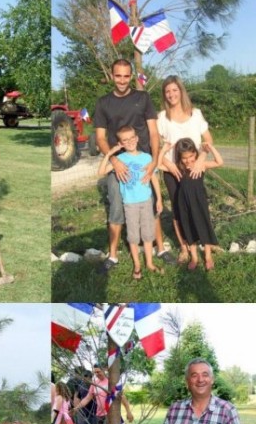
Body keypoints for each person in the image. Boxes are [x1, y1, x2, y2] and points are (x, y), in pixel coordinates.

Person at [93, 59, 173, 273]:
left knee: (153, 207)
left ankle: (161, 249)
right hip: (118, 164)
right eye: (117, 75)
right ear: (112, 76)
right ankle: (113, 255)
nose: (121, 80)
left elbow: (154, 132)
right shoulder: (103, 103)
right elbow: (100, 138)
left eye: (126, 76)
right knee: (117, 209)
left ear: (131, 77)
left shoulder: (143, 98)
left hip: (144, 162)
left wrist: (154, 162)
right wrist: (114, 161)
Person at [157, 76, 215, 263]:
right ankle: (184, 247)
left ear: (181, 91)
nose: (171, 94)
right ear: (164, 95)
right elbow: (157, 146)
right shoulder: (161, 118)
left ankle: (204, 242)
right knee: (178, 209)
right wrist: (168, 164)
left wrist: (202, 159)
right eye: (168, 91)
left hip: (194, 170)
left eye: (175, 90)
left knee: (198, 207)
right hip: (172, 171)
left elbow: (208, 140)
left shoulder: (195, 114)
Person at [97, 125, 163, 280]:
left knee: (147, 235)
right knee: (133, 237)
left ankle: (149, 263)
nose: (130, 142)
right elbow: (101, 172)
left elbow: (154, 178)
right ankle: (137, 266)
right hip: (130, 204)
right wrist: (110, 154)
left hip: (146, 202)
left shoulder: (146, 157)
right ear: (121, 143)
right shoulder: (120, 160)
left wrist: (159, 198)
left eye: (132, 138)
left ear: (137, 138)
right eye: (125, 140)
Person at [161, 138, 223, 271]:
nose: (188, 160)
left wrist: (210, 148)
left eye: (191, 156)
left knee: (203, 226)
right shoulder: (178, 168)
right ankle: (194, 257)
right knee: (188, 228)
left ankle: (207, 256)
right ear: (180, 158)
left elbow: (219, 162)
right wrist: (164, 150)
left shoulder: (201, 166)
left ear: (195, 153)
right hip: (185, 204)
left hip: (199, 203)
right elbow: (157, 165)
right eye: (184, 158)